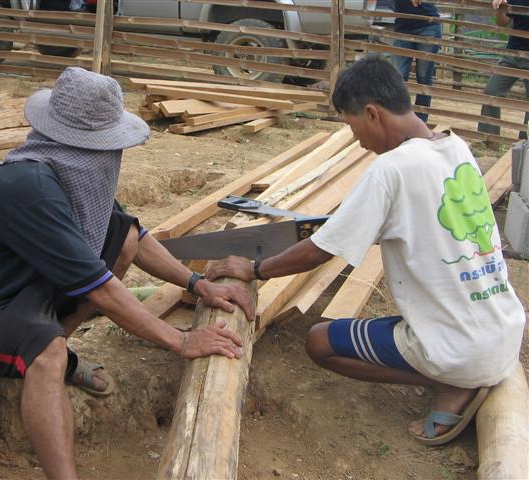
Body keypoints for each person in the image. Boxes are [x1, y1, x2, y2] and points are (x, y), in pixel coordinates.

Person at [0, 67, 255, 480]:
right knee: (48, 351)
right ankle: (50, 372)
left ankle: (49, 354)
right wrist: (181, 340)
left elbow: (134, 237)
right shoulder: (28, 186)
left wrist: (198, 284)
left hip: (29, 290)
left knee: (121, 236)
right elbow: (102, 290)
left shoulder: (66, 173)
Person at [207, 56, 526, 445]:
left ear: (373, 113)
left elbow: (321, 251)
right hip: (504, 332)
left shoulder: (390, 169)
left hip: (459, 350)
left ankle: (449, 380)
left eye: (352, 126)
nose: (357, 140)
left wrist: (255, 270)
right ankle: (455, 371)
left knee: (320, 342)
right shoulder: (455, 146)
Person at [478, 0, 529, 139]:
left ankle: (525, 142)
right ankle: (489, 139)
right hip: (513, 54)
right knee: (492, 91)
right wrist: (500, 9)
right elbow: (502, 22)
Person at [390, 0, 442, 122]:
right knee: (398, 76)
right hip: (403, 26)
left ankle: (420, 121)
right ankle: (400, 117)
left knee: (423, 77)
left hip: (428, 25)